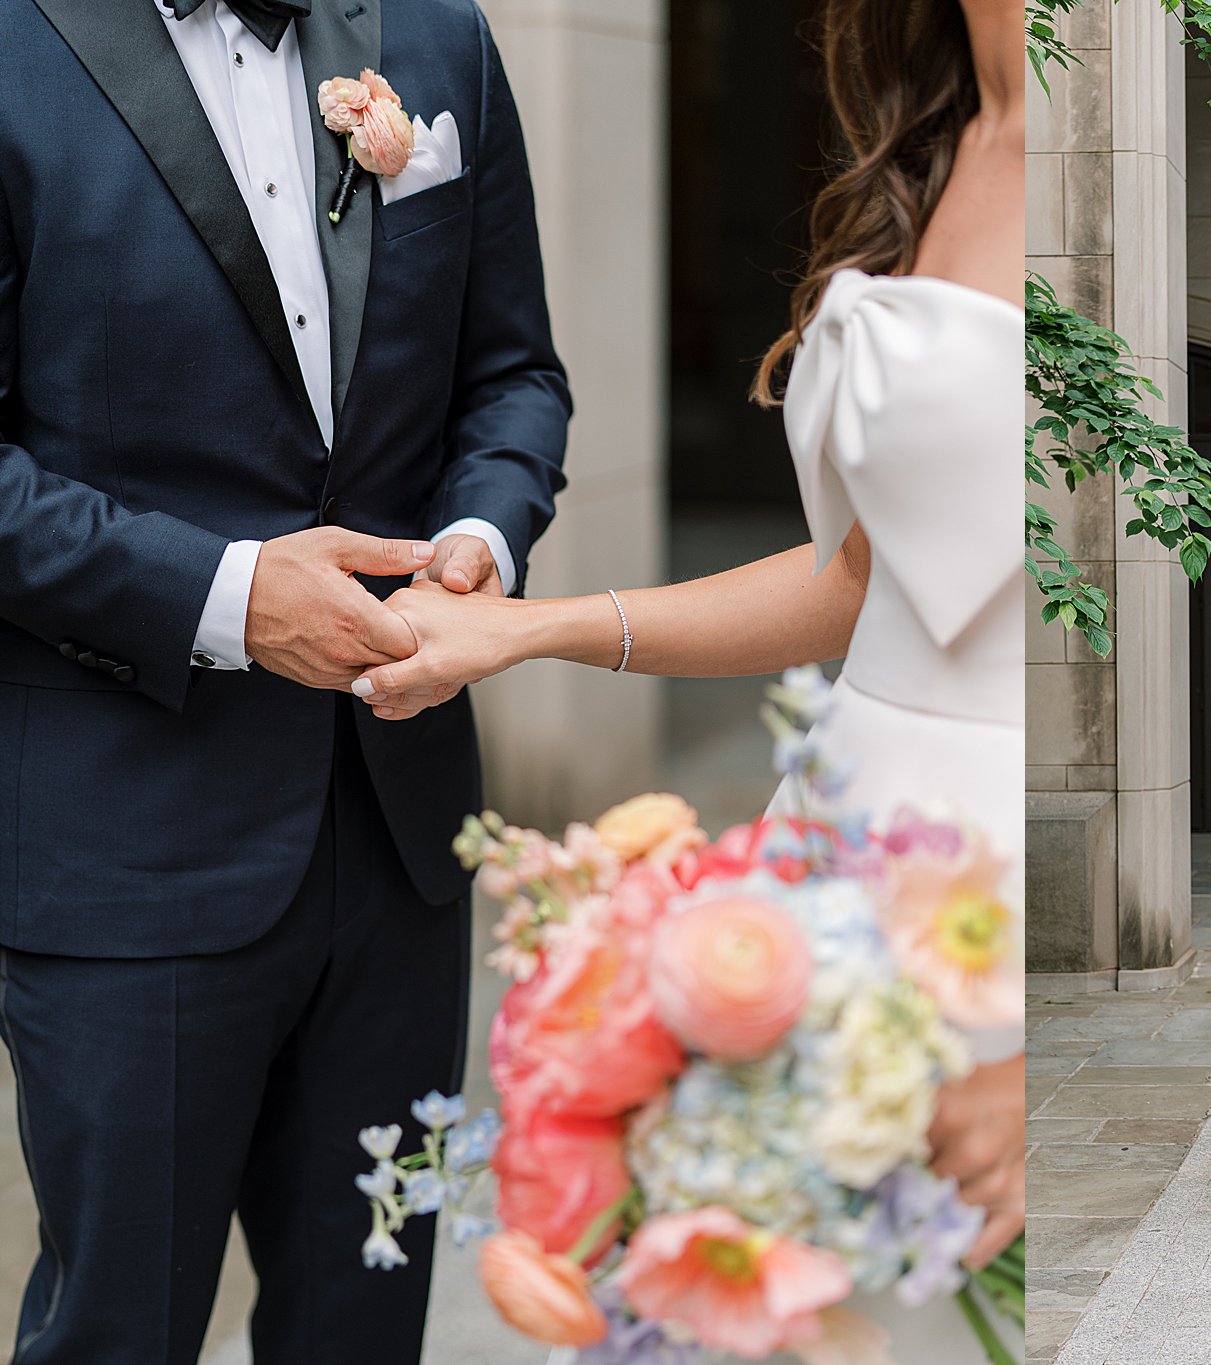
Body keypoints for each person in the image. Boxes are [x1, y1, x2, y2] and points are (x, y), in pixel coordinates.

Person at [349, 0, 1025, 1353]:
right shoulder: (931, 147)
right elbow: (851, 580)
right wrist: (522, 630)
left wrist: (1028, 1060)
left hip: (999, 883)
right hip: (840, 848)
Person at [0, 1, 570, 1361]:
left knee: (366, 1330)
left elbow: (512, 376)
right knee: (119, 1335)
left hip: (397, 841)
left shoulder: (440, 37)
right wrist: (232, 599)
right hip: (128, 850)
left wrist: (477, 547)